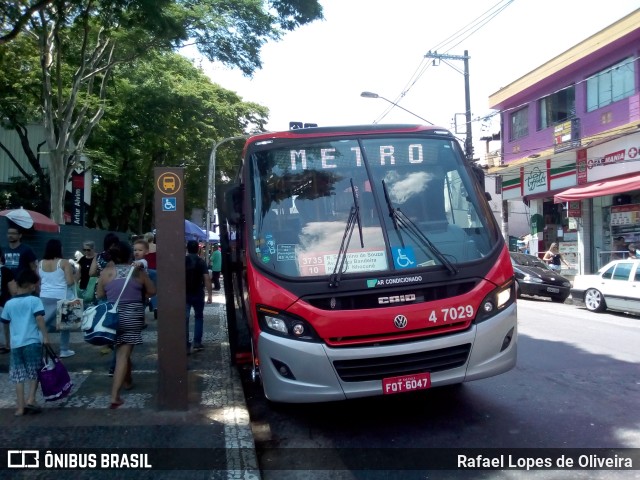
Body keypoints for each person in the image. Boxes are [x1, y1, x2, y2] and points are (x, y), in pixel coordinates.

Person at [96, 241, 155, 409]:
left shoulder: (106, 273)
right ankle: (115, 395)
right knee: (123, 354)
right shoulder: (137, 272)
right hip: (132, 315)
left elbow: (100, 294)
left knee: (122, 350)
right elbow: (152, 291)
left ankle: (128, 381)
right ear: (129, 254)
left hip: (112, 317)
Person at [1, 269, 49, 416]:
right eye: (35, 284)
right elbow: (39, 318)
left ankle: (20, 407)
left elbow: (5, 323)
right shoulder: (35, 301)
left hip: (16, 344)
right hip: (32, 342)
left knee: (18, 376)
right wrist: (46, 337)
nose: (36, 287)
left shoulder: (9, 304)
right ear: (30, 285)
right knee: (34, 372)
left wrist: (8, 341)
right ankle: (31, 399)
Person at [39, 238, 77, 358]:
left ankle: (39, 347)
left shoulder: (40, 263)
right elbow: (70, 282)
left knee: (43, 324)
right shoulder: (64, 262)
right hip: (61, 297)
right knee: (65, 324)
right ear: (59, 248)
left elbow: (39, 281)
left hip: (44, 296)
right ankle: (64, 350)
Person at [185, 240, 212, 353]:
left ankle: (185, 342)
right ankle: (197, 342)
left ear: (187, 249)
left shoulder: (183, 261)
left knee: (184, 319)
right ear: (198, 249)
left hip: (185, 293)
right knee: (199, 317)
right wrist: (209, 294)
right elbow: (206, 278)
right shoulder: (201, 262)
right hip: (198, 292)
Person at [0, 246, 18, 353]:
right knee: (4, 326)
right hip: (3, 303)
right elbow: (14, 290)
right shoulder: (6, 271)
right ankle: (5, 345)